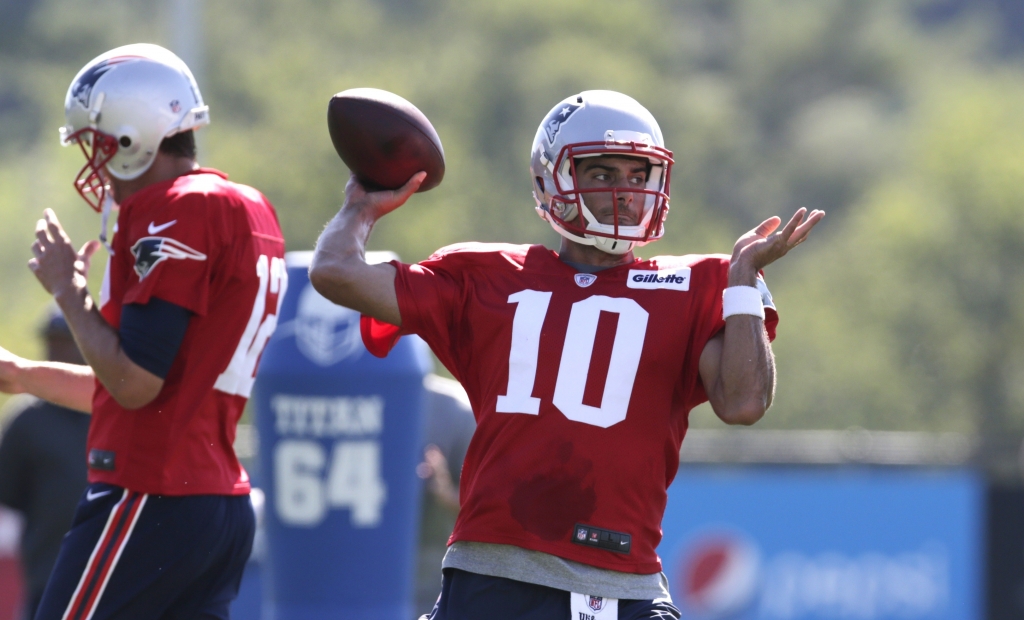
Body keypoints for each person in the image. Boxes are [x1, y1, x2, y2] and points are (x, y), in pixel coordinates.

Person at [309, 90, 824, 620]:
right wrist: (361, 206)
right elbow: (335, 273)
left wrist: (742, 281)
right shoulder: (483, 277)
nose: (624, 192)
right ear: (549, 181)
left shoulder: (698, 284)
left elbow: (743, 403)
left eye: (638, 174)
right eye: (601, 174)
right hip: (493, 576)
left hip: (623, 584)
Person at [0, 43, 286, 619]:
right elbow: (142, 388)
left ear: (134, 138)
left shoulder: (180, 210)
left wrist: (68, 293)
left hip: (152, 496)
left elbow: (136, 383)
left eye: (99, 146)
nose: (97, 166)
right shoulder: (247, 208)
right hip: (214, 505)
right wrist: (24, 375)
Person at [0, 308, 90, 620]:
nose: (57, 349)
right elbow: (8, 494)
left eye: (66, 341)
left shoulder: (112, 408)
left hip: (111, 569)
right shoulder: (27, 419)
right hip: (48, 569)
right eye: (52, 341)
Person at [415, 373, 476, 616]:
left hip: (430, 575)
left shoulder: (455, 408)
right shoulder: (344, 399)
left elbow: (496, 507)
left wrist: (445, 490)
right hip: (356, 576)